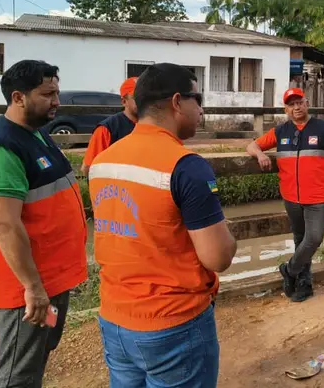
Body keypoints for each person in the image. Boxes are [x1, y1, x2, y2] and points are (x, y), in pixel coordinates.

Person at [88, 62, 237, 388]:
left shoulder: (102, 162)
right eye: (198, 99)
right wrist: (227, 232)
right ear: (176, 102)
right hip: (173, 323)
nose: (201, 110)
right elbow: (218, 258)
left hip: (114, 318)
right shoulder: (186, 166)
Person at [0, 59, 88, 388]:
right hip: (27, 287)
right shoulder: (1, 150)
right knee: (16, 375)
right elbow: (5, 225)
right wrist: (32, 287)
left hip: (50, 278)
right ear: (18, 97)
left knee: (35, 360)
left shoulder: (36, 135)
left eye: (56, 92)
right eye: (47, 94)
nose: (56, 102)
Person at [246, 88, 324, 302]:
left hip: (317, 197)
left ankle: (289, 270)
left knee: (314, 237)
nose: (296, 107)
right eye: (291, 104)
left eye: (300, 102)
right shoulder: (280, 131)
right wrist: (260, 154)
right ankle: (303, 283)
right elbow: (252, 145)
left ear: (307, 104)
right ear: (286, 109)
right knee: (299, 239)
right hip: (291, 198)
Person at [80, 77, 138, 176]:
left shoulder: (154, 125)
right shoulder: (107, 129)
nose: (143, 101)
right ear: (124, 101)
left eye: (146, 97)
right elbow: (88, 168)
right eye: (136, 97)